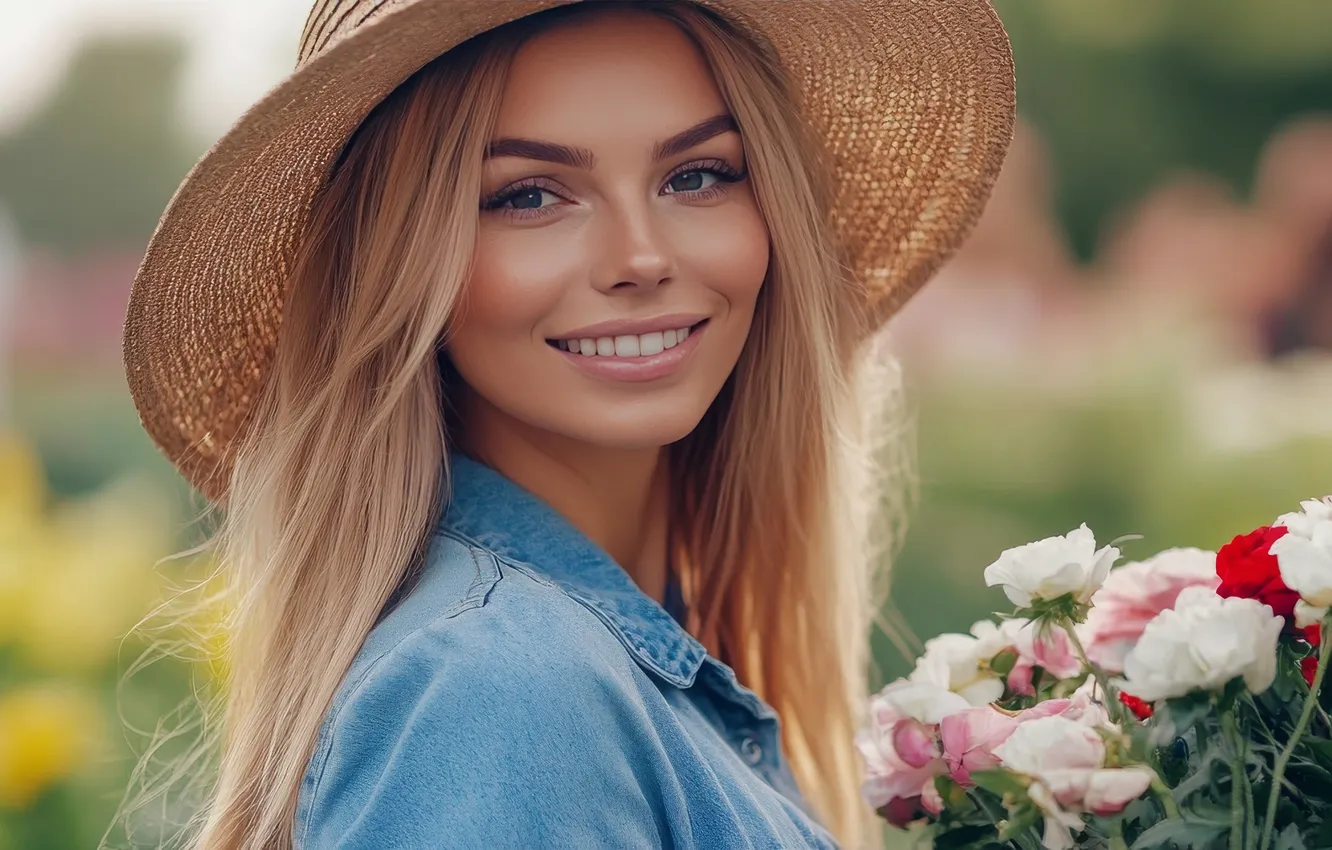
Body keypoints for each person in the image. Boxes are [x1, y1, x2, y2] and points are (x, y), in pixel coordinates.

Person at [120, 1, 1014, 848]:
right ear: (399, 265)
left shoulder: (604, 659)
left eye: (697, 175)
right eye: (531, 196)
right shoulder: (503, 689)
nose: (640, 257)